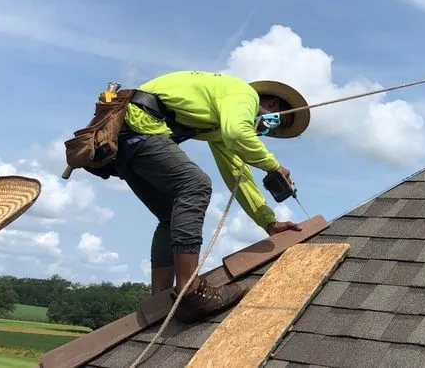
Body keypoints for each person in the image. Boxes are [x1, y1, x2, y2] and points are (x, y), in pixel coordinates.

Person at [115, 71, 310, 323]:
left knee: (169, 214)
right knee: (195, 185)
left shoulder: (218, 125)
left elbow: (237, 173)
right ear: (271, 106)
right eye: (275, 124)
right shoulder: (244, 95)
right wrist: (273, 166)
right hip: (139, 124)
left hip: (126, 138)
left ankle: (160, 300)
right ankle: (191, 292)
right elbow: (239, 134)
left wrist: (268, 222)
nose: (267, 133)